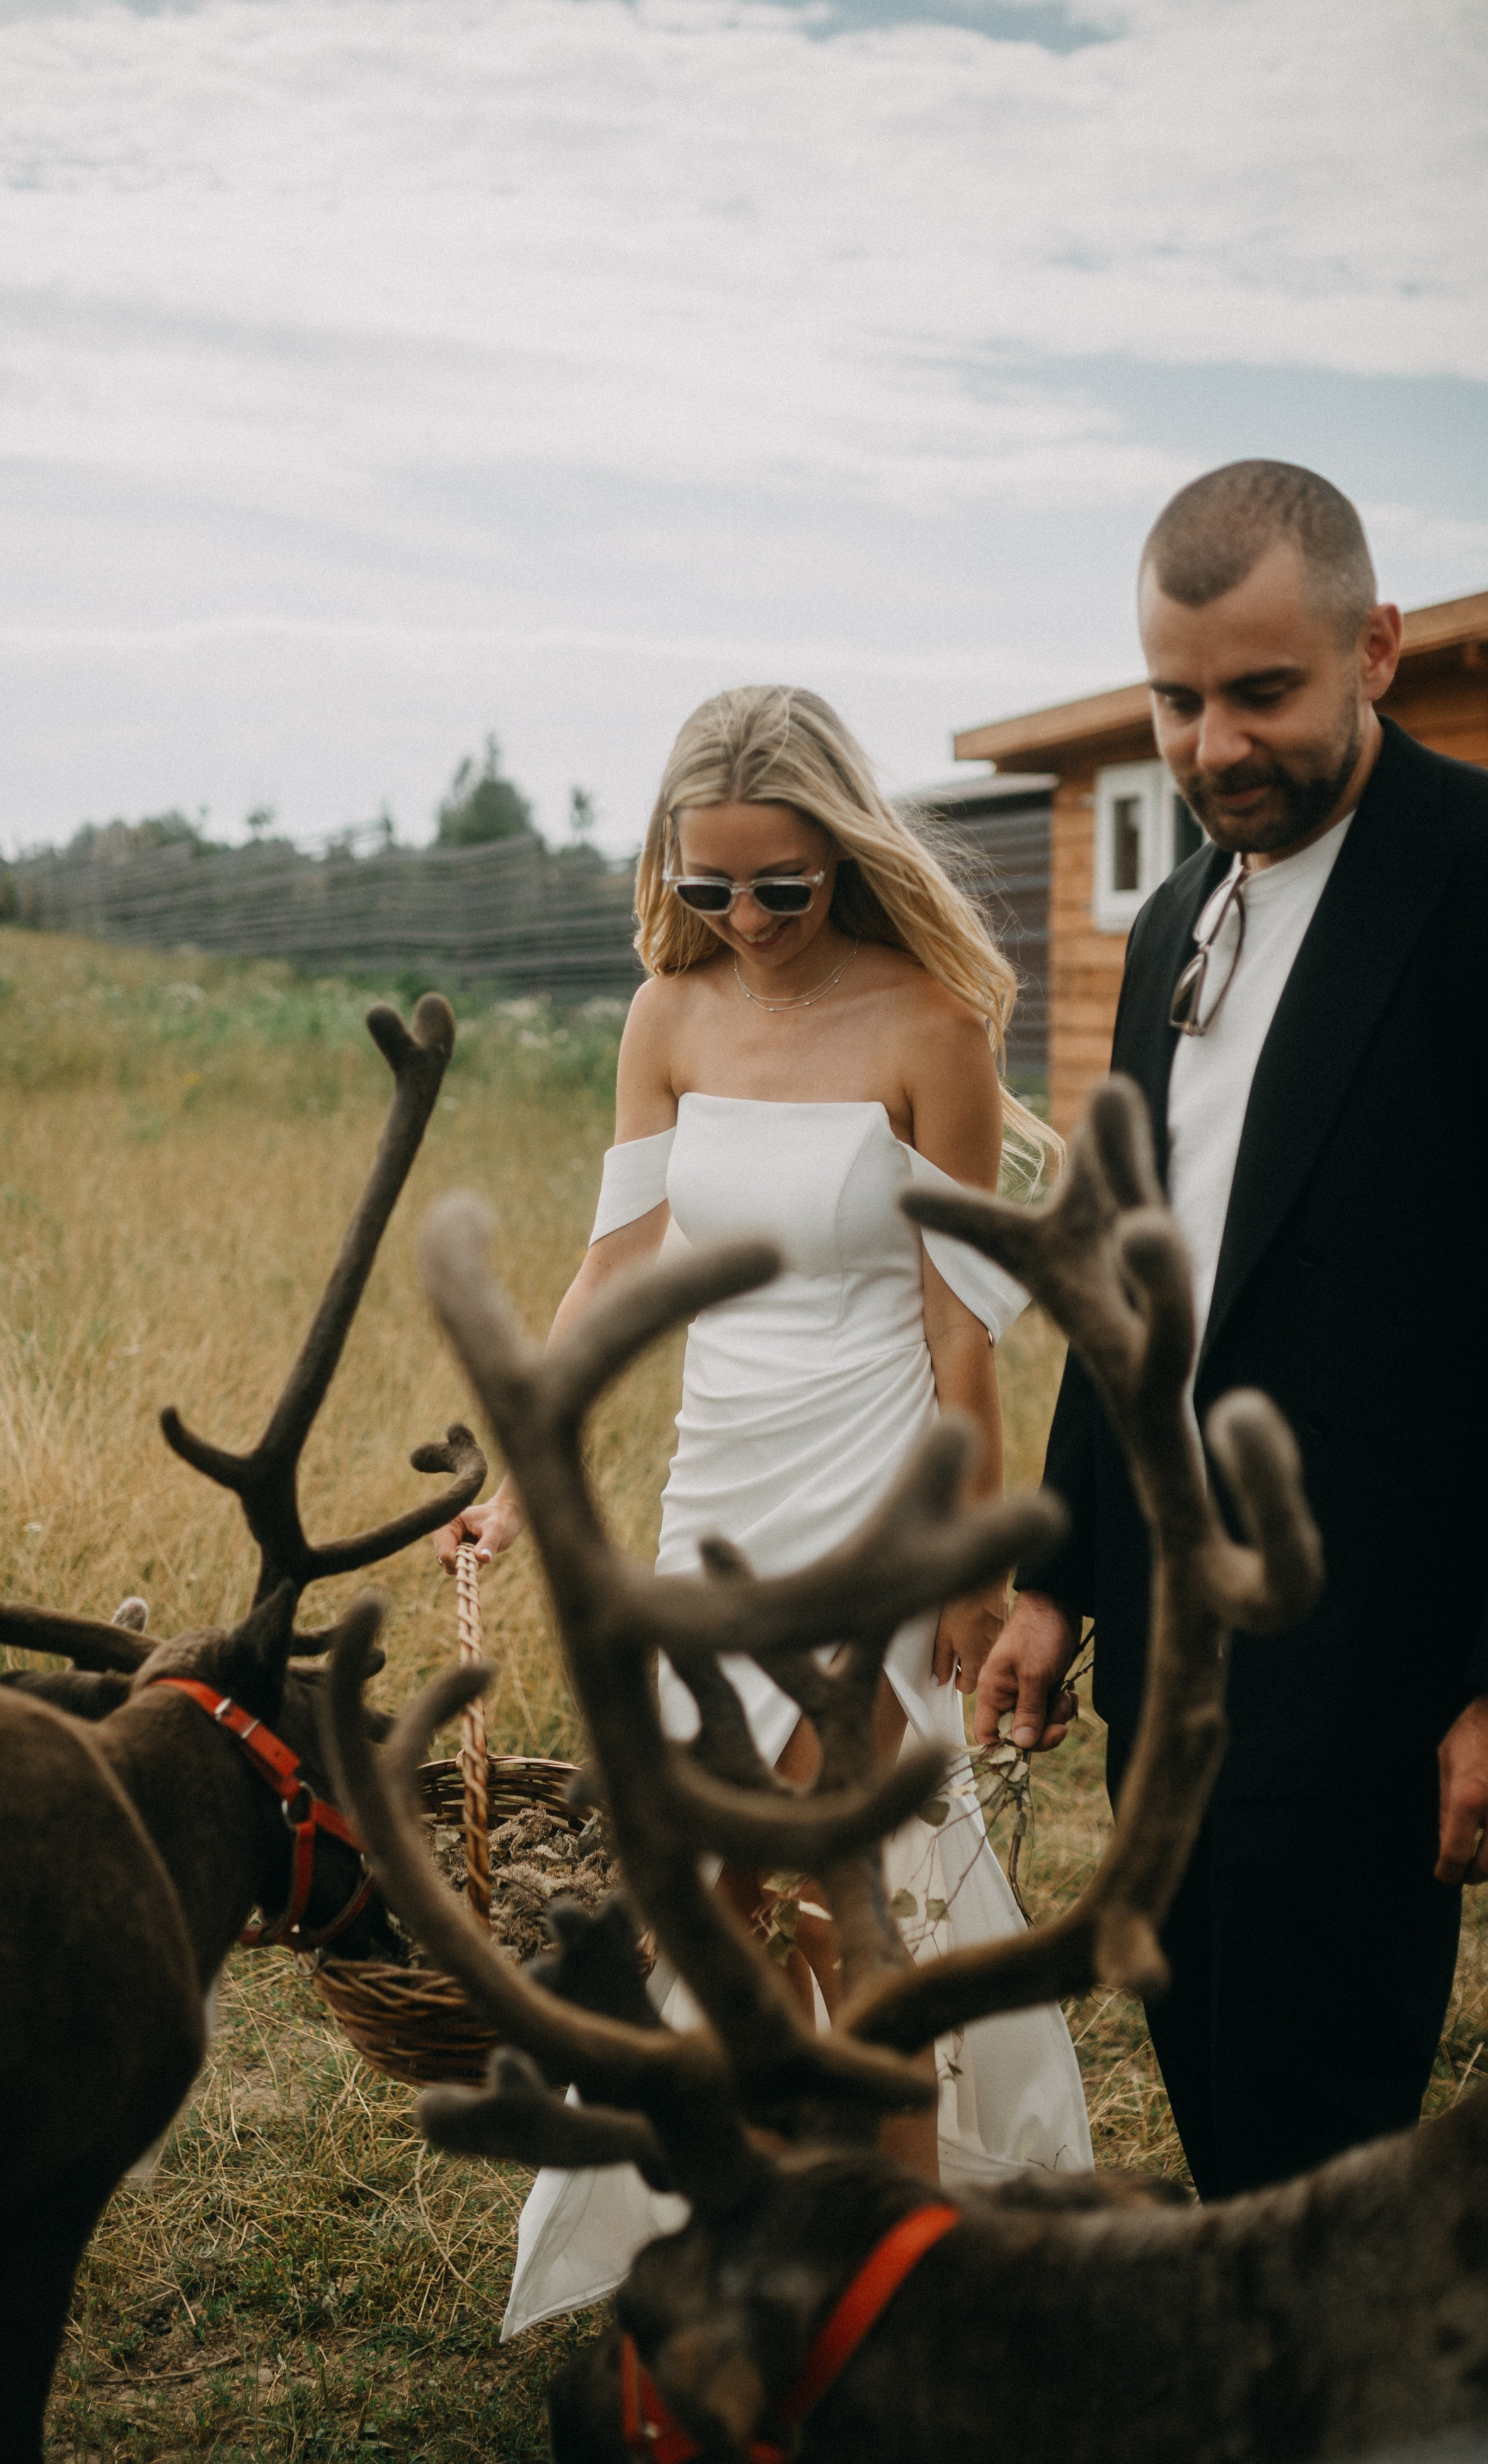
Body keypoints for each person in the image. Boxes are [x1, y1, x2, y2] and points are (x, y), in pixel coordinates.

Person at [436, 683, 1091, 2332]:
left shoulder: (933, 1024)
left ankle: (898, 2305)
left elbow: (960, 1326)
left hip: (875, 1497)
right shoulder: (667, 1015)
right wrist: (517, 1480)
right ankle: (751, 2269)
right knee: (722, 1914)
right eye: (709, 882)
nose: (745, 917)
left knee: (846, 1913)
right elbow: (614, 1265)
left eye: (781, 886)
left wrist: (971, 1566)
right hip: (713, 1501)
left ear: (845, 854)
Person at [975, 459, 1488, 2202]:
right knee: (1199, 2051)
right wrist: (1055, 1576)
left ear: (1379, 649)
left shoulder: (1475, 883)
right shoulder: (1174, 919)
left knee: (1315, 2138)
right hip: (1165, 1628)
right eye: (1176, 701)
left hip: (1375, 1643)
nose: (1213, 746)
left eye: (1262, 692)